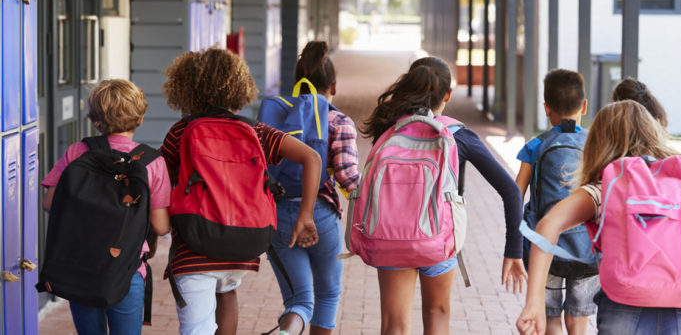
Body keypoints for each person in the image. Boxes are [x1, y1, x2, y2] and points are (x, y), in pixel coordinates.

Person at [516, 101, 681, 335]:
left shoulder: (606, 187)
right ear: (652, 132)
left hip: (626, 306)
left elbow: (548, 225)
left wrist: (534, 303)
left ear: (598, 142)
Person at [160, 48, 322, 335]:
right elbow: (312, 157)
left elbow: (162, 180)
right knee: (227, 289)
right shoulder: (256, 131)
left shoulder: (181, 132)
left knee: (197, 328)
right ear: (238, 86)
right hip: (243, 241)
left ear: (187, 87)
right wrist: (305, 215)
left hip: (194, 244)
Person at [361, 56, 527, 335]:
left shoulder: (388, 130)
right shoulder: (457, 135)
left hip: (390, 237)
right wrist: (513, 250)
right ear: (448, 94)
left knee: (393, 326)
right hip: (437, 239)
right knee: (437, 313)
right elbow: (511, 191)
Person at [41, 79, 171, 335]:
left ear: (93, 118)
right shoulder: (152, 162)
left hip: (81, 267)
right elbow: (161, 225)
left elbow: (49, 204)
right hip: (127, 270)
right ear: (141, 117)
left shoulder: (77, 152)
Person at [265, 41, 360, 335]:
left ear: (297, 83)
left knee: (300, 300)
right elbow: (347, 178)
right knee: (328, 295)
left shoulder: (276, 117)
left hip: (278, 212)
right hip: (321, 215)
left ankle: (287, 331)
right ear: (334, 86)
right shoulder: (339, 121)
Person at [514, 69, 598, 335]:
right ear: (584, 106)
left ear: (546, 108)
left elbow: (517, 193)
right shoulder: (595, 144)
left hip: (545, 247)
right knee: (578, 320)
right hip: (587, 248)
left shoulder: (536, 145)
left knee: (550, 318)